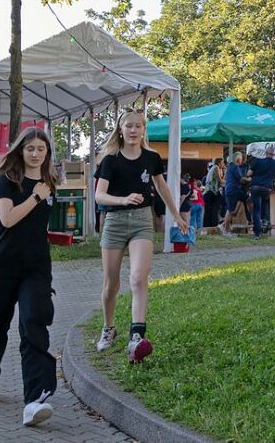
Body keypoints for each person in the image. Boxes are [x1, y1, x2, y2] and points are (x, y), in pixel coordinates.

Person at [0, 127, 59, 427]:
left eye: (41, 149)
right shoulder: (7, 181)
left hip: (36, 267)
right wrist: (36, 197)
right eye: (30, 148)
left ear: (47, 153)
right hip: (4, 265)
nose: (36, 153)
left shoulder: (49, 182)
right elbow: (7, 219)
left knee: (33, 324)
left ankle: (35, 400)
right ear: (20, 151)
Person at [94, 110, 188, 362]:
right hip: (114, 221)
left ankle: (136, 337)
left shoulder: (152, 158)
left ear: (144, 130)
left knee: (138, 278)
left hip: (141, 222)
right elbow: (99, 196)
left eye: (138, 126)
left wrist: (176, 216)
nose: (133, 130)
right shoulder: (110, 160)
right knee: (111, 285)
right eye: (129, 126)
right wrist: (122, 199)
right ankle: (108, 328)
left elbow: (162, 187)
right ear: (120, 130)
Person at [248, 145, 275, 239]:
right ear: (274, 154)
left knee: (256, 210)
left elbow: (249, 174)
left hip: (256, 187)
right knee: (265, 203)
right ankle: (265, 220)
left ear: (265, 153)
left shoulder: (258, 161)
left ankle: (257, 233)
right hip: (267, 188)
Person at [220, 152, 250, 236]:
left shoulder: (230, 166)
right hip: (234, 190)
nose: (242, 161)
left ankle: (225, 227)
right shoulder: (235, 167)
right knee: (231, 210)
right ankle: (225, 229)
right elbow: (241, 179)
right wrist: (249, 179)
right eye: (241, 159)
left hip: (231, 190)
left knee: (231, 209)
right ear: (238, 159)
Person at [181, 176, 204, 248]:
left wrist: (189, 197)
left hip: (195, 204)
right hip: (201, 205)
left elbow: (195, 197)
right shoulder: (199, 190)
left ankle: (191, 231)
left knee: (192, 218)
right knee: (199, 219)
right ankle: (200, 231)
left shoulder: (194, 189)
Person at [203, 158, 225, 227]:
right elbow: (220, 181)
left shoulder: (214, 168)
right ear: (219, 163)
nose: (223, 164)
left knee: (209, 211)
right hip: (211, 192)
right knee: (214, 210)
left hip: (209, 192)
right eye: (222, 163)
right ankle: (213, 226)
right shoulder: (216, 168)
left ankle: (208, 226)